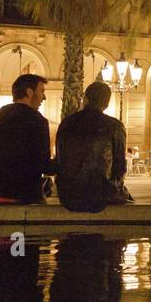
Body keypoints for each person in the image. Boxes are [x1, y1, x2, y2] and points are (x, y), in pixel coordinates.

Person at [0, 73, 53, 205]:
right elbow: (42, 164)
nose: (43, 97)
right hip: (24, 195)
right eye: (41, 91)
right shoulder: (37, 121)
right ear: (29, 92)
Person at [54, 81, 128, 212]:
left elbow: (60, 160)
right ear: (106, 104)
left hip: (69, 196)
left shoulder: (67, 123)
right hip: (101, 195)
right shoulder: (114, 126)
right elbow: (120, 165)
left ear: (85, 98)